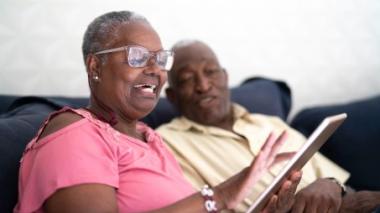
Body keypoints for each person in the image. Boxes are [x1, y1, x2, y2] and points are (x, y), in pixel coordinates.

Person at [14, 11, 303, 213]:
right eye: (137, 56)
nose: (154, 69)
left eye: (160, 59)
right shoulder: (75, 133)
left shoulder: (150, 140)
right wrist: (220, 195)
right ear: (95, 67)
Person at [156, 39, 380, 212]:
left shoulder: (269, 122)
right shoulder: (166, 144)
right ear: (173, 97)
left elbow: (345, 186)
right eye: (187, 79)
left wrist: (330, 184)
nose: (203, 86)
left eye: (210, 72)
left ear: (225, 77)